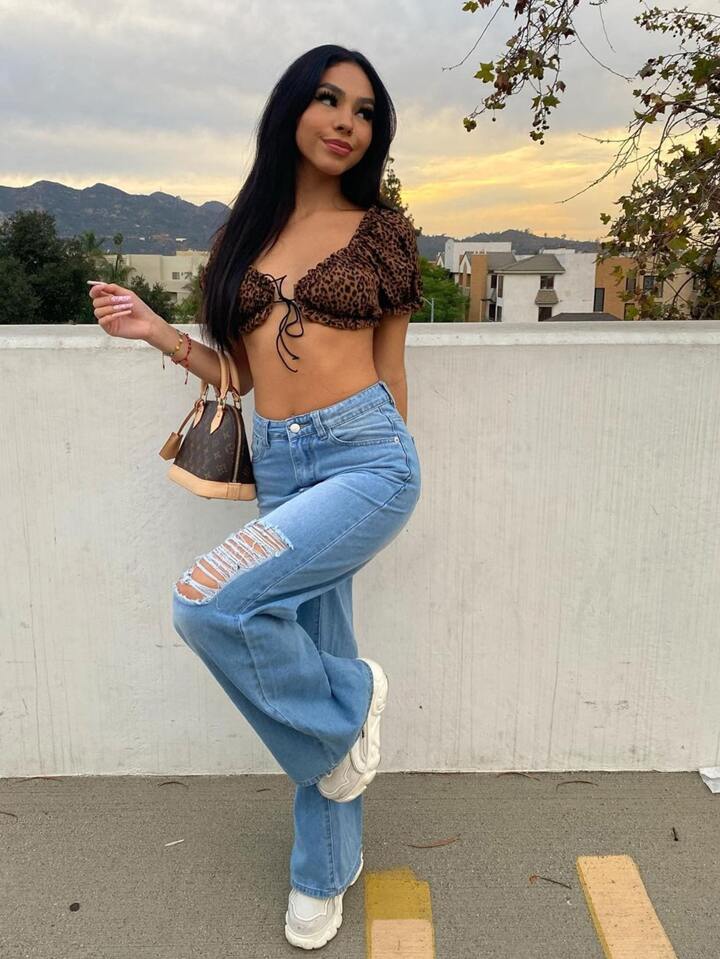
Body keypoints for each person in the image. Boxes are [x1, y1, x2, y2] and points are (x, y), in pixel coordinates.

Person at [90, 43, 422, 951]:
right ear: (292, 109)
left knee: (206, 601)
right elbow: (239, 374)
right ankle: (325, 863)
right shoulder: (244, 233)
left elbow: (392, 368)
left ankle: (350, 701)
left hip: (366, 455)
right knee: (312, 641)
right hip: (279, 461)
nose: (346, 122)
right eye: (329, 100)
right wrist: (156, 332)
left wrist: (390, 475)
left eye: (364, 111)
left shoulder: (383, 231)